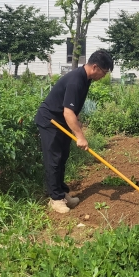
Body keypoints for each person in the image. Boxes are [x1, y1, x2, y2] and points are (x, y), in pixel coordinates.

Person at [34, 50, 114, 214]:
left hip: (62, 121)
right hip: (50, 121)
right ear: (95, 67)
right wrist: (80, 136)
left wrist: (76, 122)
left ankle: (62, 193)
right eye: (104, 72)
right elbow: (68, 112)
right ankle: (55, 199)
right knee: (54, 160)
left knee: (62, 157)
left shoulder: (86, 79)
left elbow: (72, 108)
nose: (104, 76)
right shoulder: (76, 80)